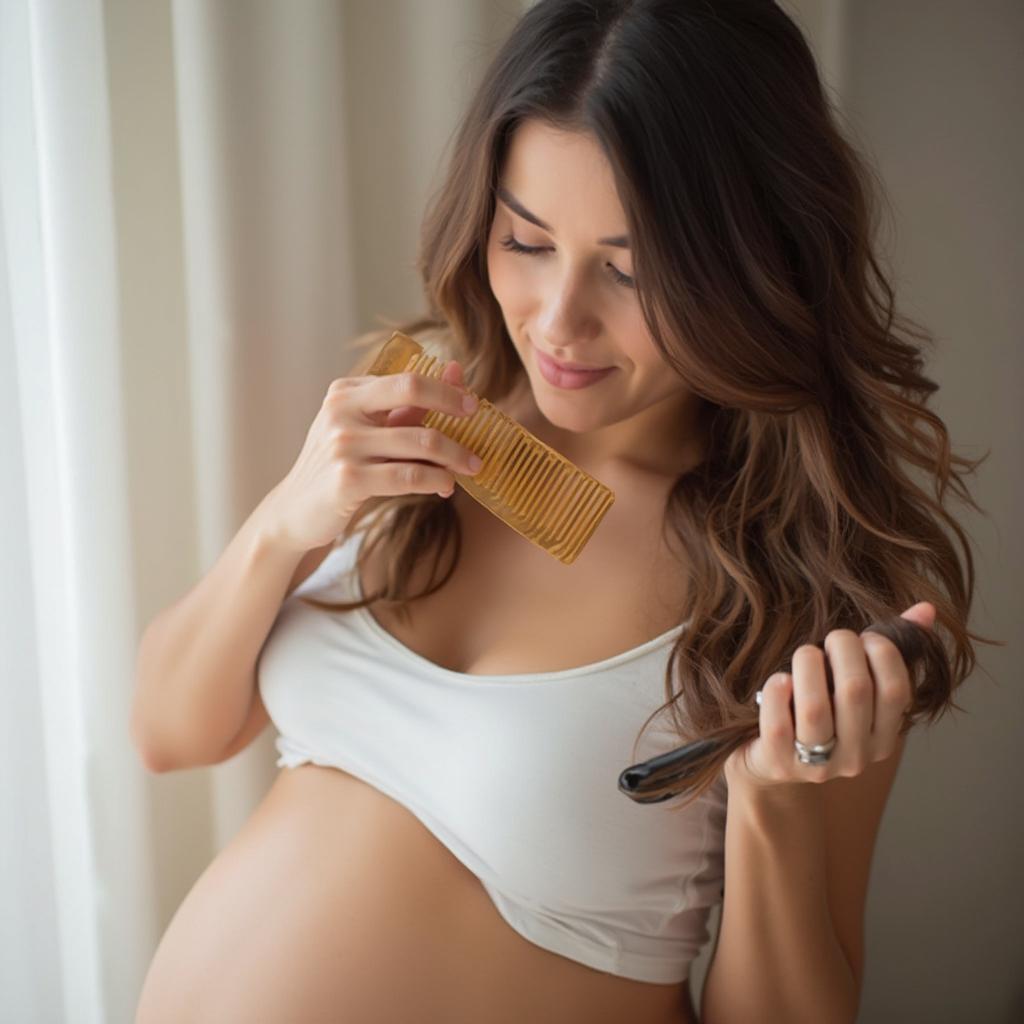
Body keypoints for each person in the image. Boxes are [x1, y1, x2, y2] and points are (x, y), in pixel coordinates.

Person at [132, 2, 985, 1022]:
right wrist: (285, 522)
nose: (558, 319)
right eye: (525, 241)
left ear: (749, 262)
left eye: (631, 270)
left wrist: (770, 810)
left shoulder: (805, 589)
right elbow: (170, 731)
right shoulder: (418, 414)